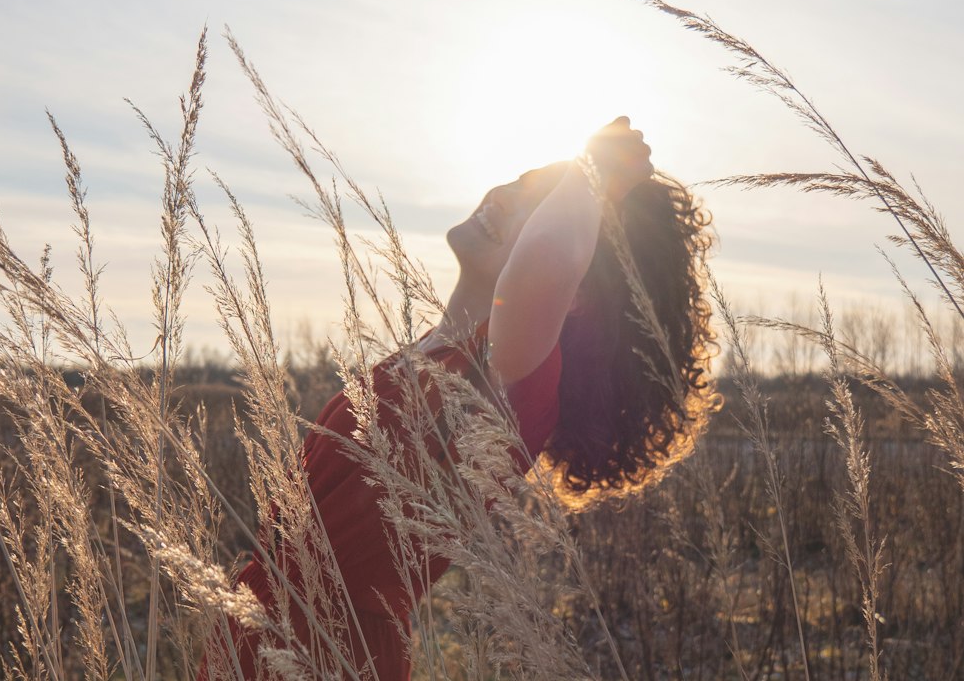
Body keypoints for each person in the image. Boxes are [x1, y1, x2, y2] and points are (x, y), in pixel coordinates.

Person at [200, 117, 716, 680]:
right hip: (267, 631)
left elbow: (547, 259)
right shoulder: (431, 351)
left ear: (577, 295)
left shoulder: (512, 378)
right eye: (521, 179)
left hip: (331, 650)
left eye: (539, 204)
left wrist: (595, 175)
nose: (504, 196)